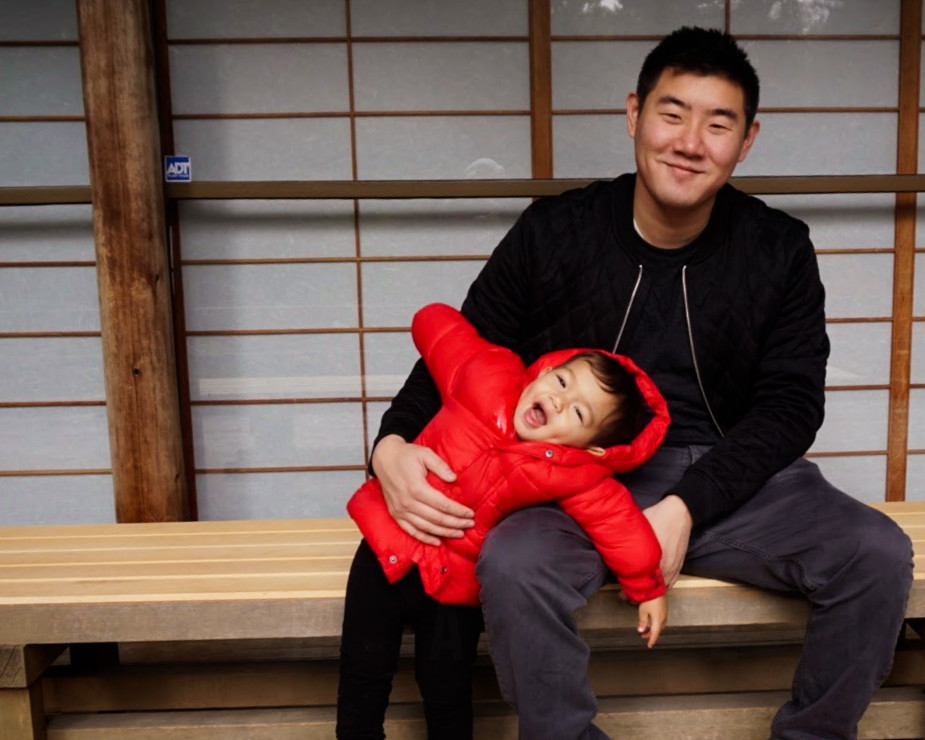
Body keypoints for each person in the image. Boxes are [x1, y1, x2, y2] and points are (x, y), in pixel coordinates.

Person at [369, 26, 914, 740]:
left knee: (876, 554)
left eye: (717, 124)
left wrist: (686, 506)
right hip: (570, 476)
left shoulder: (776, 247)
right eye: (671, 113)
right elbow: (463, 353)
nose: (689, 142)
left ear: (745, 141)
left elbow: (790, 405)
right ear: (633, 114)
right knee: (513, 561)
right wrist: (390, 446)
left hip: (732, 482)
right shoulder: (554, 230)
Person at [337, 302, 670, 740]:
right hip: (386, 549)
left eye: (578, 412)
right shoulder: (487, 375)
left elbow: (620, 525)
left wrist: (647, 586)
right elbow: (441, 334)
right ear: (543, 372)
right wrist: (431, 314)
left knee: (447, 687)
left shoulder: (576, 472)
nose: (558, 398)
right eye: (562, 380)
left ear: (591, 448)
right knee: (363, 668)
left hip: (455, 586)